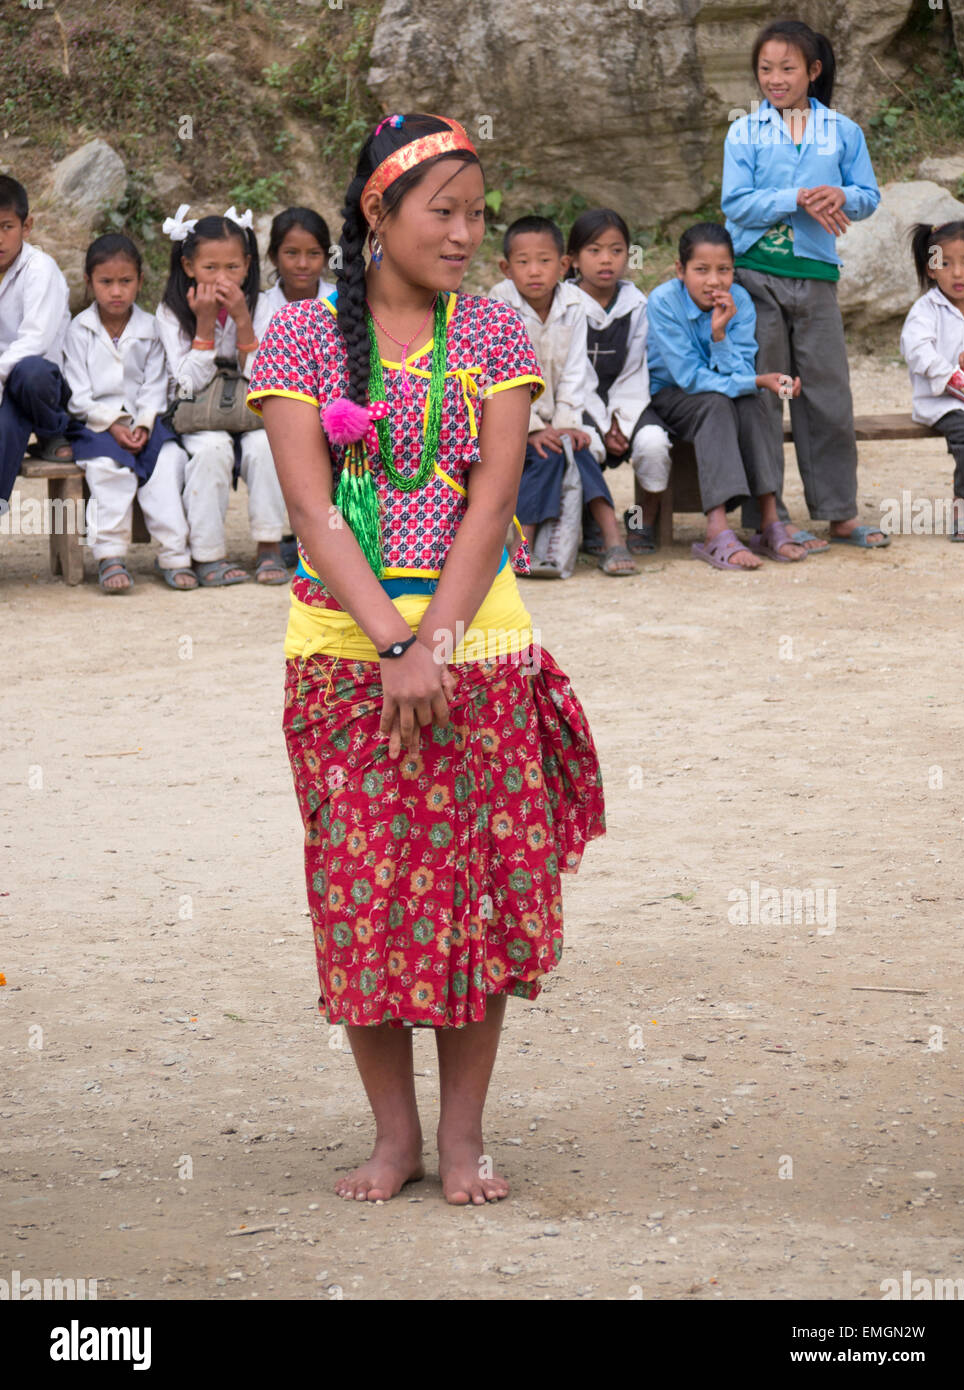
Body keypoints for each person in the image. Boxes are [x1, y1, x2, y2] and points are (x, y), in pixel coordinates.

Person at [246, 113, 605, 1207]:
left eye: (476, 216)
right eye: (441, 212)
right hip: (343, 658)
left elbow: (494, 501)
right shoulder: (300, 340)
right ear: (377, 214)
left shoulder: (496, 336)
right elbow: (313, 511)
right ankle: (392, 1137)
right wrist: (394, 646)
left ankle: (463, 1137)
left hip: (479, 654)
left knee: (478, 900)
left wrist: (434, 643)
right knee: (363, 897)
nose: (464, 235)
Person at [724, 18, 887, 551]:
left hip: (816, 278)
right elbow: (735, 204)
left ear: (812, 72)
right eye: (766, 68)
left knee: (827, 398)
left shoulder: (842, 131)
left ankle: (840, 515)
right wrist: (793, 197)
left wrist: (842, 195)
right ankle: (767, 518)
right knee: (766, 396)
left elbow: (866, 195)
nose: (774, 78)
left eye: (787, 68)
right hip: (754, 276)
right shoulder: (745, 130)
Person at [647, 223, 804, 569]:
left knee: (753, 401)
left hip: (717, 395)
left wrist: (719, 334)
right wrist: (756, 379)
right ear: (680, 270)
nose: (714, 281)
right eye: (701, 270)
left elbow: (740, 373)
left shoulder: (741, 302)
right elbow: (688, 378)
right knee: (719, 402)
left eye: (724, 270)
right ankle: (716, 529)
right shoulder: (663, 302)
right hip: (671, 398)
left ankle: (768, 521)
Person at [489, 214, 635, 575]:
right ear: (507, 268)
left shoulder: (574, 304)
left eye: (545, 261)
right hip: (510, 417)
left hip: (562, 413)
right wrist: (535, 427)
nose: (534, 271)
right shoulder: (498, 305)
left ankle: (613, 540)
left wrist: (567, 423)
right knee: (546, 454)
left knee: (578, 448)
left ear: (563, 264)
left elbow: (575, 371)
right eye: (523, 263)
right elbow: (505, 375)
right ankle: (522, 546)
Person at [155, 204, 289, 585]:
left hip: (249, 410)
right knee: (212, 450)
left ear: (247, 265)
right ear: (188, 267)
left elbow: (267, 377)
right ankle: (208, 554)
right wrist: (204, 325)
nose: (222, 277)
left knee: (265, 447)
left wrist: (243, 322)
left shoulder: (263, 305)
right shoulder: (171, 311)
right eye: (209, 268)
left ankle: (269, 545)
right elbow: (184, 385)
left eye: (232, 267)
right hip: (198, 414)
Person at [62, 233, 194, 591]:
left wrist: (145, 422)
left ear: (139, 281)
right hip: (95, 425)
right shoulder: (78, 331)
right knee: (108, 469)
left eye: (126, 281)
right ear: (89, 283)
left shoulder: (151, 328)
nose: (116, 291)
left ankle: (174, 554)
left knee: (167, 463)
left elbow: (156, 384)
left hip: (147, 422)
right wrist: (114, 424)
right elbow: (76, 394)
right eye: (106, 282)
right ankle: (110, 554)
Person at [565, 208, 672, 555]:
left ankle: (641, 523)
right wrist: (601, 422)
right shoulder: (563, 304)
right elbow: (574, 372)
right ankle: (594, 525)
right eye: (594, 251)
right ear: (575, 259)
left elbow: (635, 369)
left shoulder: (637, 304)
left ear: (629, 255)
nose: (606, 260)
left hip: (630, 400)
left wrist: (620, 423)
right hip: (579, 401)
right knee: (586, 444)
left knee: (653, 444)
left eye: (616, 250)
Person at [254, 207, 335, 570]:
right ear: (273, 256)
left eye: (313, 253)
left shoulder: (341, 300)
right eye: (291, 253)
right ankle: (275, 545)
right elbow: (253, 374)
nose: (302, 264)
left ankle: (330, 543)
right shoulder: (260, 306)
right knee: (266, 446)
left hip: (334, 409)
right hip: (277, 413)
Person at [0, 174, 72, 509]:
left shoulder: (40, 269)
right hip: (7, 390)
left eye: (6, 227)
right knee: (9, 416)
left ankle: (51, 431)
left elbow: (36, 341)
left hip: (44, 387)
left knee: (28, 373)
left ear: (26, 226)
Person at [901, 220, 964, 541]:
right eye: (945, 264)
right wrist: (951, 376)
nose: (957, 273)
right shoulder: (925, 310)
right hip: (942, 402)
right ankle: (962, 509)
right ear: (931, 269)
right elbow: (917, 351)